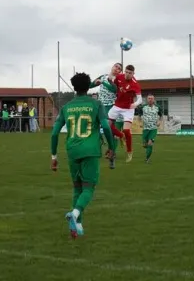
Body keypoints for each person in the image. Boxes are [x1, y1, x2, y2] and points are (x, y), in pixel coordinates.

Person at [50, 72, 115, 239]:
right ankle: (75, 213)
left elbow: (54, 133)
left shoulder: (66, 107)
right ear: (89, 87)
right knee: (88, 188)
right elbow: (107, 128)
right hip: (90, 150)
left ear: (74, 87)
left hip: (72, 151)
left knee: (77, 188)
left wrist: (54, 157)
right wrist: (111, 147)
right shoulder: (96, 104)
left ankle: (77, 226)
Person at [103, 64, 142, 163]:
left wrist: (135, 104)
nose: (128, 74)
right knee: (107, 125)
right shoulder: (120, 77)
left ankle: (129, 152)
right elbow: (114, 84)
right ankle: (121, 136)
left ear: (133, 74)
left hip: (128, 108)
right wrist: (109, 80)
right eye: (127, 72)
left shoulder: (135, 84)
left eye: (130, 73)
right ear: (124, 71)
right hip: (117, 105)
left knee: (126, 130)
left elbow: (140, 99)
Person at [92, 63, 123, 168]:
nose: (117, 69)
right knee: (102, 130)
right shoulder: (103, 76)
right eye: (116, 67)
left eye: (119, 69)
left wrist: (102, 83)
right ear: (112, 67)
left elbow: (113, 89)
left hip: (114, 107)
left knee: (113, 133)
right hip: (102, 107)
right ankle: (108, 149)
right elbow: (91, 84)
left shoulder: (119, 80)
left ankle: (112, 153)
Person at [137, 94, 163, 163]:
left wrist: (159, 122)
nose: (150, 100)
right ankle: (145, 144)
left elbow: (161, 116)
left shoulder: (158, 107)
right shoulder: (143, 107)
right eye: (149, 98)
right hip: (145, 129)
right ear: (147, 99)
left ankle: (147, 158)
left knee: (150, 143)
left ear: (154, 99)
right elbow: (139, 116)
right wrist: (140, 123)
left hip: (153, 128)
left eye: (152, 98)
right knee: (145, 144)